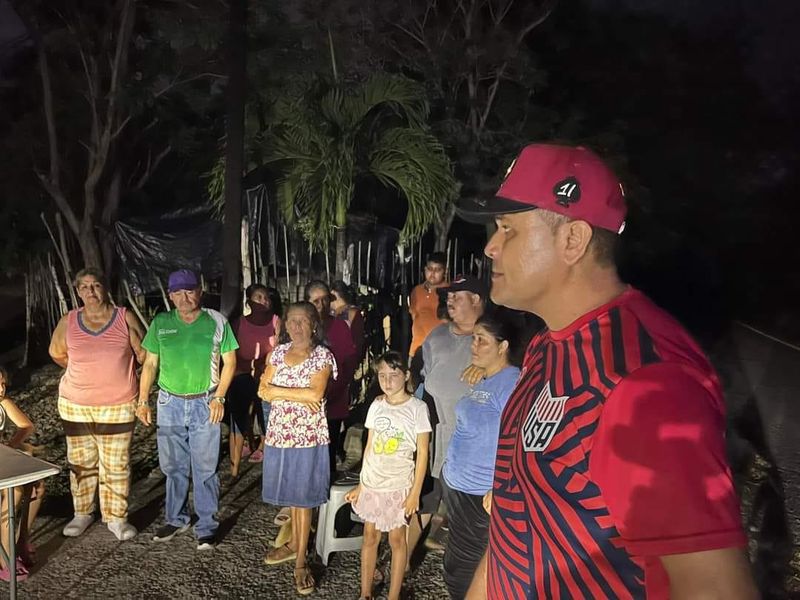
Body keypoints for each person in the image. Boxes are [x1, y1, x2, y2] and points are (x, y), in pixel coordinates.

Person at [456, 143, 757, 599]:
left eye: (508, 229)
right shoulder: (544, 347)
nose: (491, 247)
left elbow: (715, 590)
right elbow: (518, 520)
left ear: (573, 240)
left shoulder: (648, 383)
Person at [136, 269, 238, 551]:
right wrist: (143, 400)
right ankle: (177, 518)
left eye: (189, 290)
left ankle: (206, 525)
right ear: (170, 295)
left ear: (199, 291)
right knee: (173, 466)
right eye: (178, 292)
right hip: (169, 402)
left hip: (205, 401)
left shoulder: (216, 321)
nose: (184, 297)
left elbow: (230, 362)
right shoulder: (161, 322)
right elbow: (150, 364)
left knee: (205, 466)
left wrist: (220, 398)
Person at [48, 267, 145, 541]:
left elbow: (143, 354)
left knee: (115, 463)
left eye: (96, 285)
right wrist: (84, 372)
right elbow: (56, 353)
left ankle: (116, 518)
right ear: (78, 292)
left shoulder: (123, 317)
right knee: (81, 463)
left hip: (118, 404)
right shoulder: (69, 320)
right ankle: (82, 513)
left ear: (105, 288)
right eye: (85, 287)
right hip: (75, 404)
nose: (91, 291)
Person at [440, 313, 520, 599]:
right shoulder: (486, 379)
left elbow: (519, 439)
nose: (473, 345)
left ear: (503, 346)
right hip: (457, 485)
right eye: (473, 338)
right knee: (456, 563)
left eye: (481, 340)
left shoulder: (513, 383)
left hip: (480, 493)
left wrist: (501, 485)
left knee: (471, 569)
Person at [407, 275, 487, 563]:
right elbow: (422, 376)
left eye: (457, 296)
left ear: (476, 300)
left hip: (470, 453)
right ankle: (398, 567)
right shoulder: (437, 336)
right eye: (448, 296)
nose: (448, 301)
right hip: (434, 443)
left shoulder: (492, 341)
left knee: (468, 519)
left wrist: (490, 368)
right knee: (422, 503)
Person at [259, 301, 336, 596]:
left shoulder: (321, 357)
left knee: (304, 501)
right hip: (279, 435)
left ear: (314, 324)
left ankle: (302, 562)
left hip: (308, 437)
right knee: (292, 497)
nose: (296, 326)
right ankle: (294, 544)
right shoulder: (277, 353)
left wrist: (278, 392)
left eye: (303, 320)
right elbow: (261, 389)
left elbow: (316, 393)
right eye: (291, 320)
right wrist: (296, 395)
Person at [345, 351, 431, 600]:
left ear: (405, 376)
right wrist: (362, 484)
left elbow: (422, 453)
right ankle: (365, 593)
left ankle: (393, 595)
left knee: (396, 540)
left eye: (394, 375)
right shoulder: (376, 405)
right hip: (373, 483)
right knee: (370, 537)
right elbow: (369, 445)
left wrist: (415, 492)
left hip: (398, 484)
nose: (387, 380)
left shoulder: (418, 408)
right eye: (382, 375)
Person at [226, 283, 281, 481]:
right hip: (241, 373)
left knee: (267, 416)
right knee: (239, 418)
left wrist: (263, 366)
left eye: (266, 297)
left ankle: (266, 450)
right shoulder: (238, 324)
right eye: (259, 297)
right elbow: (229, 352)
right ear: (249, 301)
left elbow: (279, 350)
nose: (264, 301)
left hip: (267, 376)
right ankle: (234, 467)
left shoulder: (276, 321)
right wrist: (246, 365)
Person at [305, 280, 357, 474]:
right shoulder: (301, 326)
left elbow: (349, 361)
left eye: (326, 299)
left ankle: (325, 495)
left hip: (334, 399)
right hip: (306, 402)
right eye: (316, 300)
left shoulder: (340, 327)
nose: (322, 305)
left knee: (328, 450)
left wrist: (338, 388)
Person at [0, 366, 45, 583]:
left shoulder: (4, 403)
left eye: (3, 383)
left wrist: (12, 446)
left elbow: (26, 426)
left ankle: (20, 541)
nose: (1, 389)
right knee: (14, 490)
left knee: (37, 485)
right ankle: (5, 558)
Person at [408, 252, 448, 358]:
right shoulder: (416, 291)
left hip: (440, 351)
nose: (433, 273)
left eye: (438, 270)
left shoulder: (450, 292)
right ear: (425, 269)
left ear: (445, 271)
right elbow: (414, 317)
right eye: (430, 269)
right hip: (417, 349)